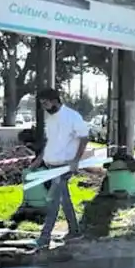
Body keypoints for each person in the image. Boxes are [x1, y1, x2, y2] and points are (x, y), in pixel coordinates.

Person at [27, 88, 88, 249]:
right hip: (51, 165)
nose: (44, 107)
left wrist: (76, 160)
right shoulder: (51, 118)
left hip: (65, 166)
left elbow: (84, 138)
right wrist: (38, 160)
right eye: (42, 104)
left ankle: (44, 237)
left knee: (53, 201)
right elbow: (51, 142)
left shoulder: (72, 117)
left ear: (54, 100)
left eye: (45, 103)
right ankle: (75, 231)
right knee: (64, 200)